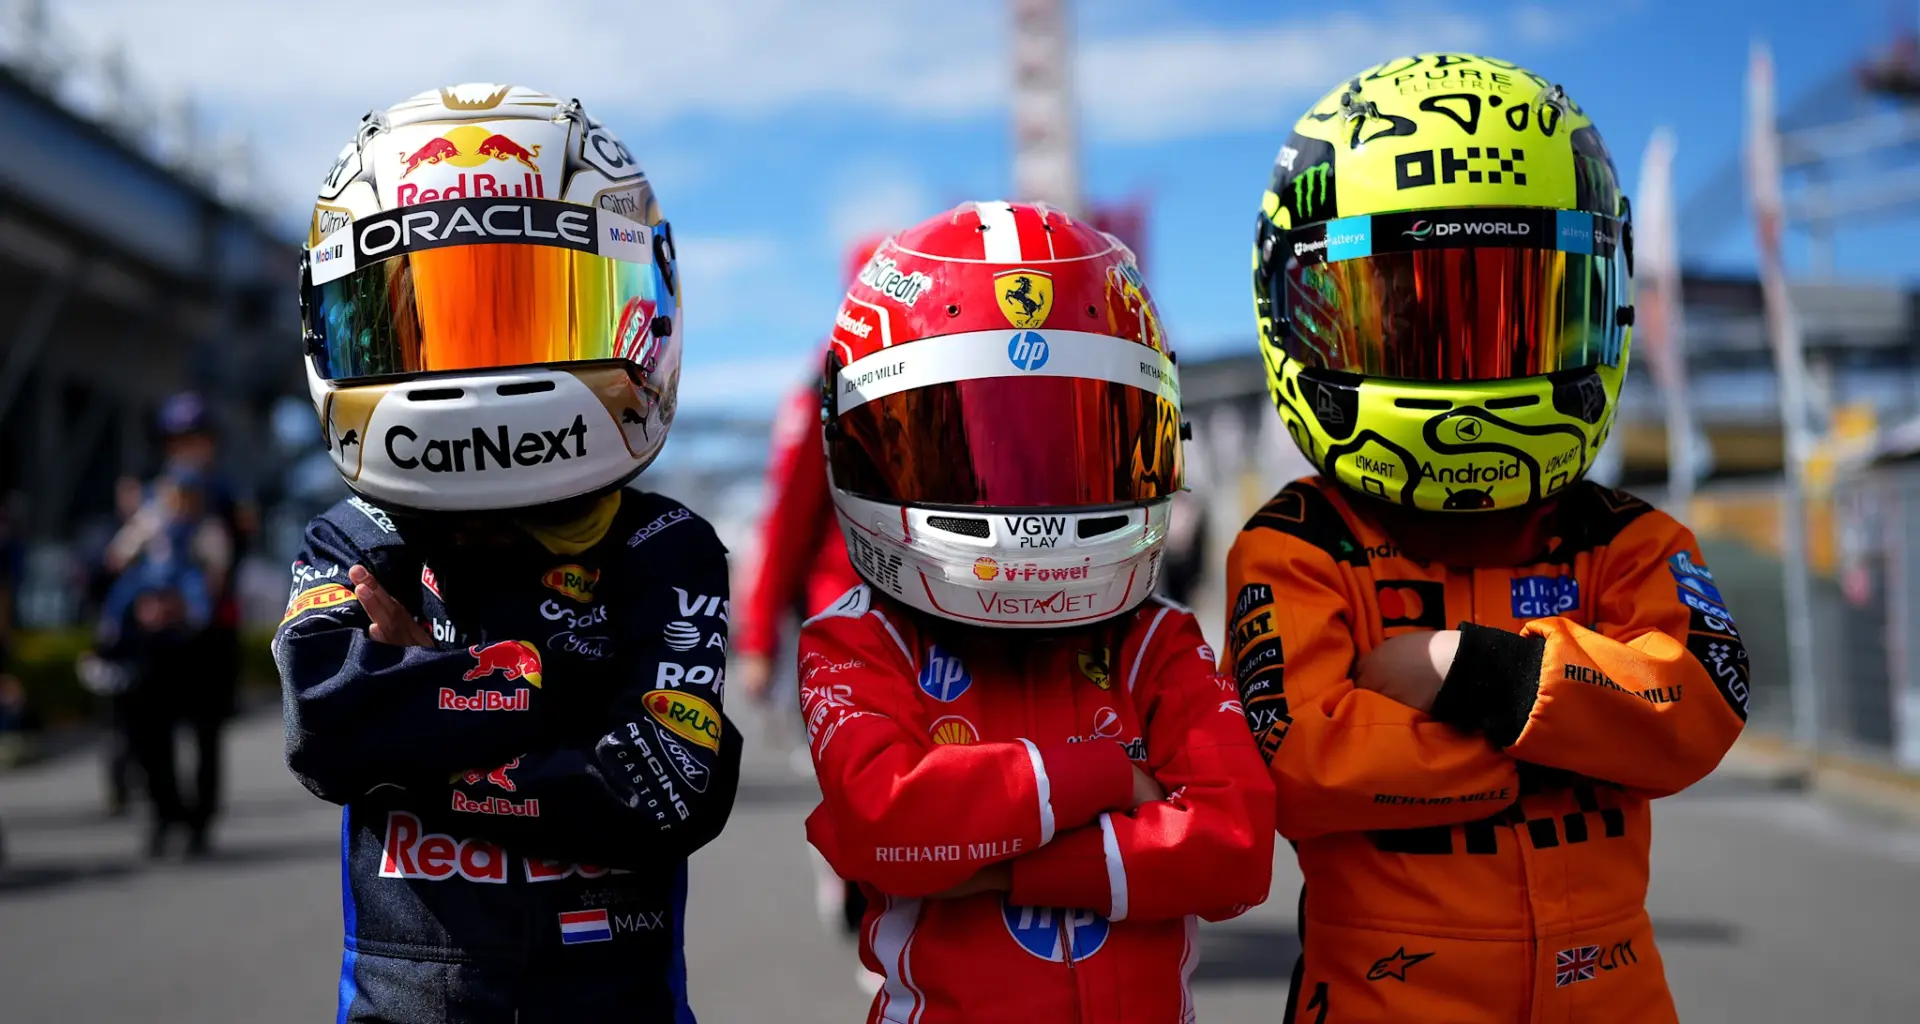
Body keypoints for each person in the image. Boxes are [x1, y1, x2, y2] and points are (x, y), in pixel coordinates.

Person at [1227, 54, 1750, 1022]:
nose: (1465, 370)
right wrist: (1578, 735)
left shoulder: (1623, 535)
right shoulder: (1300, 543)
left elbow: (1703, 703)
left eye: (1512, 314)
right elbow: (1297, 765)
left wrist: (1473, 674)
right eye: (1411, 325)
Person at [276, 83, 740, 1023]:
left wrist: (424, 700)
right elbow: (326, 728)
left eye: (534, 313)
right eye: (430, 326)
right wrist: (563, 698)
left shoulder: (664, 545)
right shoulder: (357, 533)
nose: (480, 370)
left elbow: (667, 787)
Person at [803, 201, 1276, 1022]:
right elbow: (886, 825)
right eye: (971, 452)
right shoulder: (856, 640)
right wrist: (1109, 778)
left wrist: (999, 862)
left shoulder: (1156, 639)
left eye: (1076, 447)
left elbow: (1236, 850)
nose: (1032, 501)